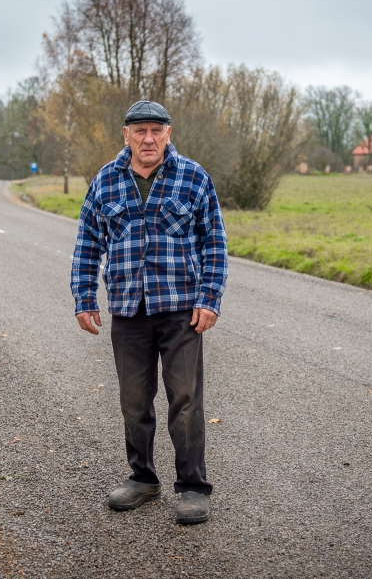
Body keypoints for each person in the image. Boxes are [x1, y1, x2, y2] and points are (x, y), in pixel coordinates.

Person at [70, 100, 227, 524]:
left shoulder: (193, 178)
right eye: (139, 131)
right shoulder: (105, 181)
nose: (148, 138)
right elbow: (88, 244)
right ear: (126, 135)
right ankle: (142, 478)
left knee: (186, 399)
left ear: (168, 134)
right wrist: (84, 298)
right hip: (128, 310)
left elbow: (214, 242)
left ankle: (193, 487)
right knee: (134, 401)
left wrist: (209, 298)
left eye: (156, 130)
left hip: (181, 311)